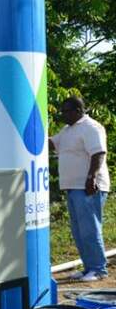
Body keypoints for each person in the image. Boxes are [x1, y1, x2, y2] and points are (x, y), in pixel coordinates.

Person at [50, 96, 110, 281]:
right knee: (78, 231)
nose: (63, 115)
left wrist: (91, 178)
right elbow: (52, 144)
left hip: (88, 187)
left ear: (78, 110)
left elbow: (98, 153)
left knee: (89, 230)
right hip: (72, 187)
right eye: (62, 111)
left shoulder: (91, 127)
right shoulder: (68, 130)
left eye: (66, 111)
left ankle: (99, 269)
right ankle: (88, 267)